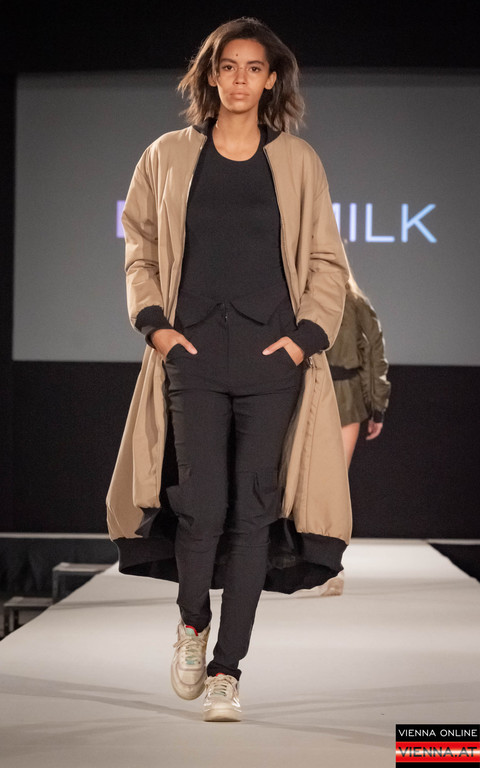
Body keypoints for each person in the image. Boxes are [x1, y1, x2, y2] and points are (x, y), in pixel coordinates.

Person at [106, 17, 351, 722]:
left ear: (271, 80)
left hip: (272, 359)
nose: (240, 80)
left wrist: (304, 339)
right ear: (210, 75)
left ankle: (227, 670)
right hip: (194, 356)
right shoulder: (166, 155)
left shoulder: (297, 161)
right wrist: (156, 327)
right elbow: (140, 246)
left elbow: (326, 258)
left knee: (253, 512)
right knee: (202, 505)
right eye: (228, 66)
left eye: (254, 68)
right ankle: (192, 624)